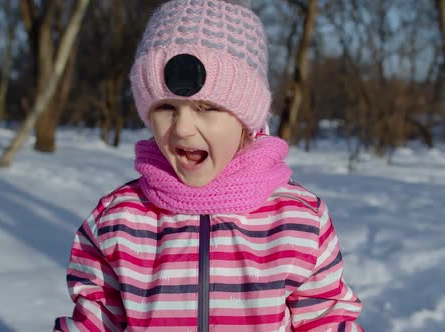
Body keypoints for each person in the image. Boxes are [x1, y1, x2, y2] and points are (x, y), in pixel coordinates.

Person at [54, 0, 363, 331]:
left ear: (247, 120)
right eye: (166, 107)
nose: (183, 128)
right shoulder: (119, 219)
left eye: (206, 108)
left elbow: (325, 318)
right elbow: (95, 319)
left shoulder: (299, 219)